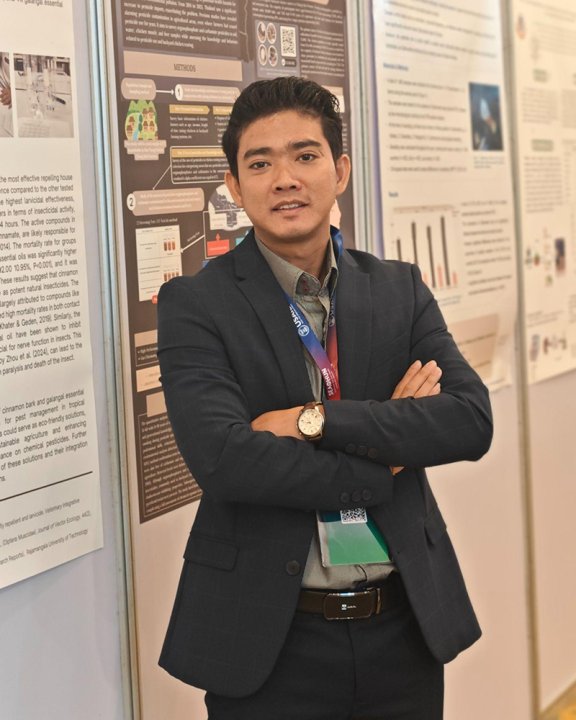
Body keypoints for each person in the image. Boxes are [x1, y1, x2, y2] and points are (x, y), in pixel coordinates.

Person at [157, 76, 493, 720]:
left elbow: (468, 421)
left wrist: (311, 420)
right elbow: (225, 460)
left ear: (338, 171)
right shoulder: (197, 305)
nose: (285, 178)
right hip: (267, 642)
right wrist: (387, 452)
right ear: (234, 185)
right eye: (261, 163)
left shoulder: (398, 289)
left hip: (403, 629)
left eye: (305, 156)